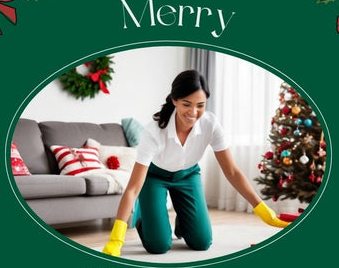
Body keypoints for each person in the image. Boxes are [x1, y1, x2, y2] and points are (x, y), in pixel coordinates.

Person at [102, 69, 289, 257]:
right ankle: (145, 218)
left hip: (188, 175)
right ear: (174, 100)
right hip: (155, 177)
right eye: (186, 104)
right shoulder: (153, 132)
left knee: (202, 242)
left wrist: (263, 210)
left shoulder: (210, 124)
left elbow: (232, 171)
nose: (193, 112)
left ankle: (183, 220)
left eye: (200, 105)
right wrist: (116, 238)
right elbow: (133, 188)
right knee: (158, 245)